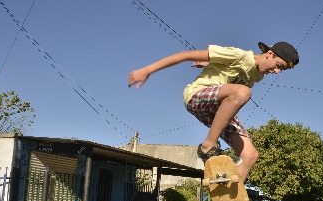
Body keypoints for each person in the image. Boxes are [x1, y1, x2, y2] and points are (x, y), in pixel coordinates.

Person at [128, 42, 299, 182]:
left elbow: (226, 76)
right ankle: (208, 146)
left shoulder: (257, 74)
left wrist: (210, 64)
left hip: (219, 111)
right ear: (269, 54)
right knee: (243, 92)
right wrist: (147, 70)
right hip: (197, 97)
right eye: (278, 66)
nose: (276, 72)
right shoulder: (238, 55)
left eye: (280, 70)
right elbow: (185, 55)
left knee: (250, 156)